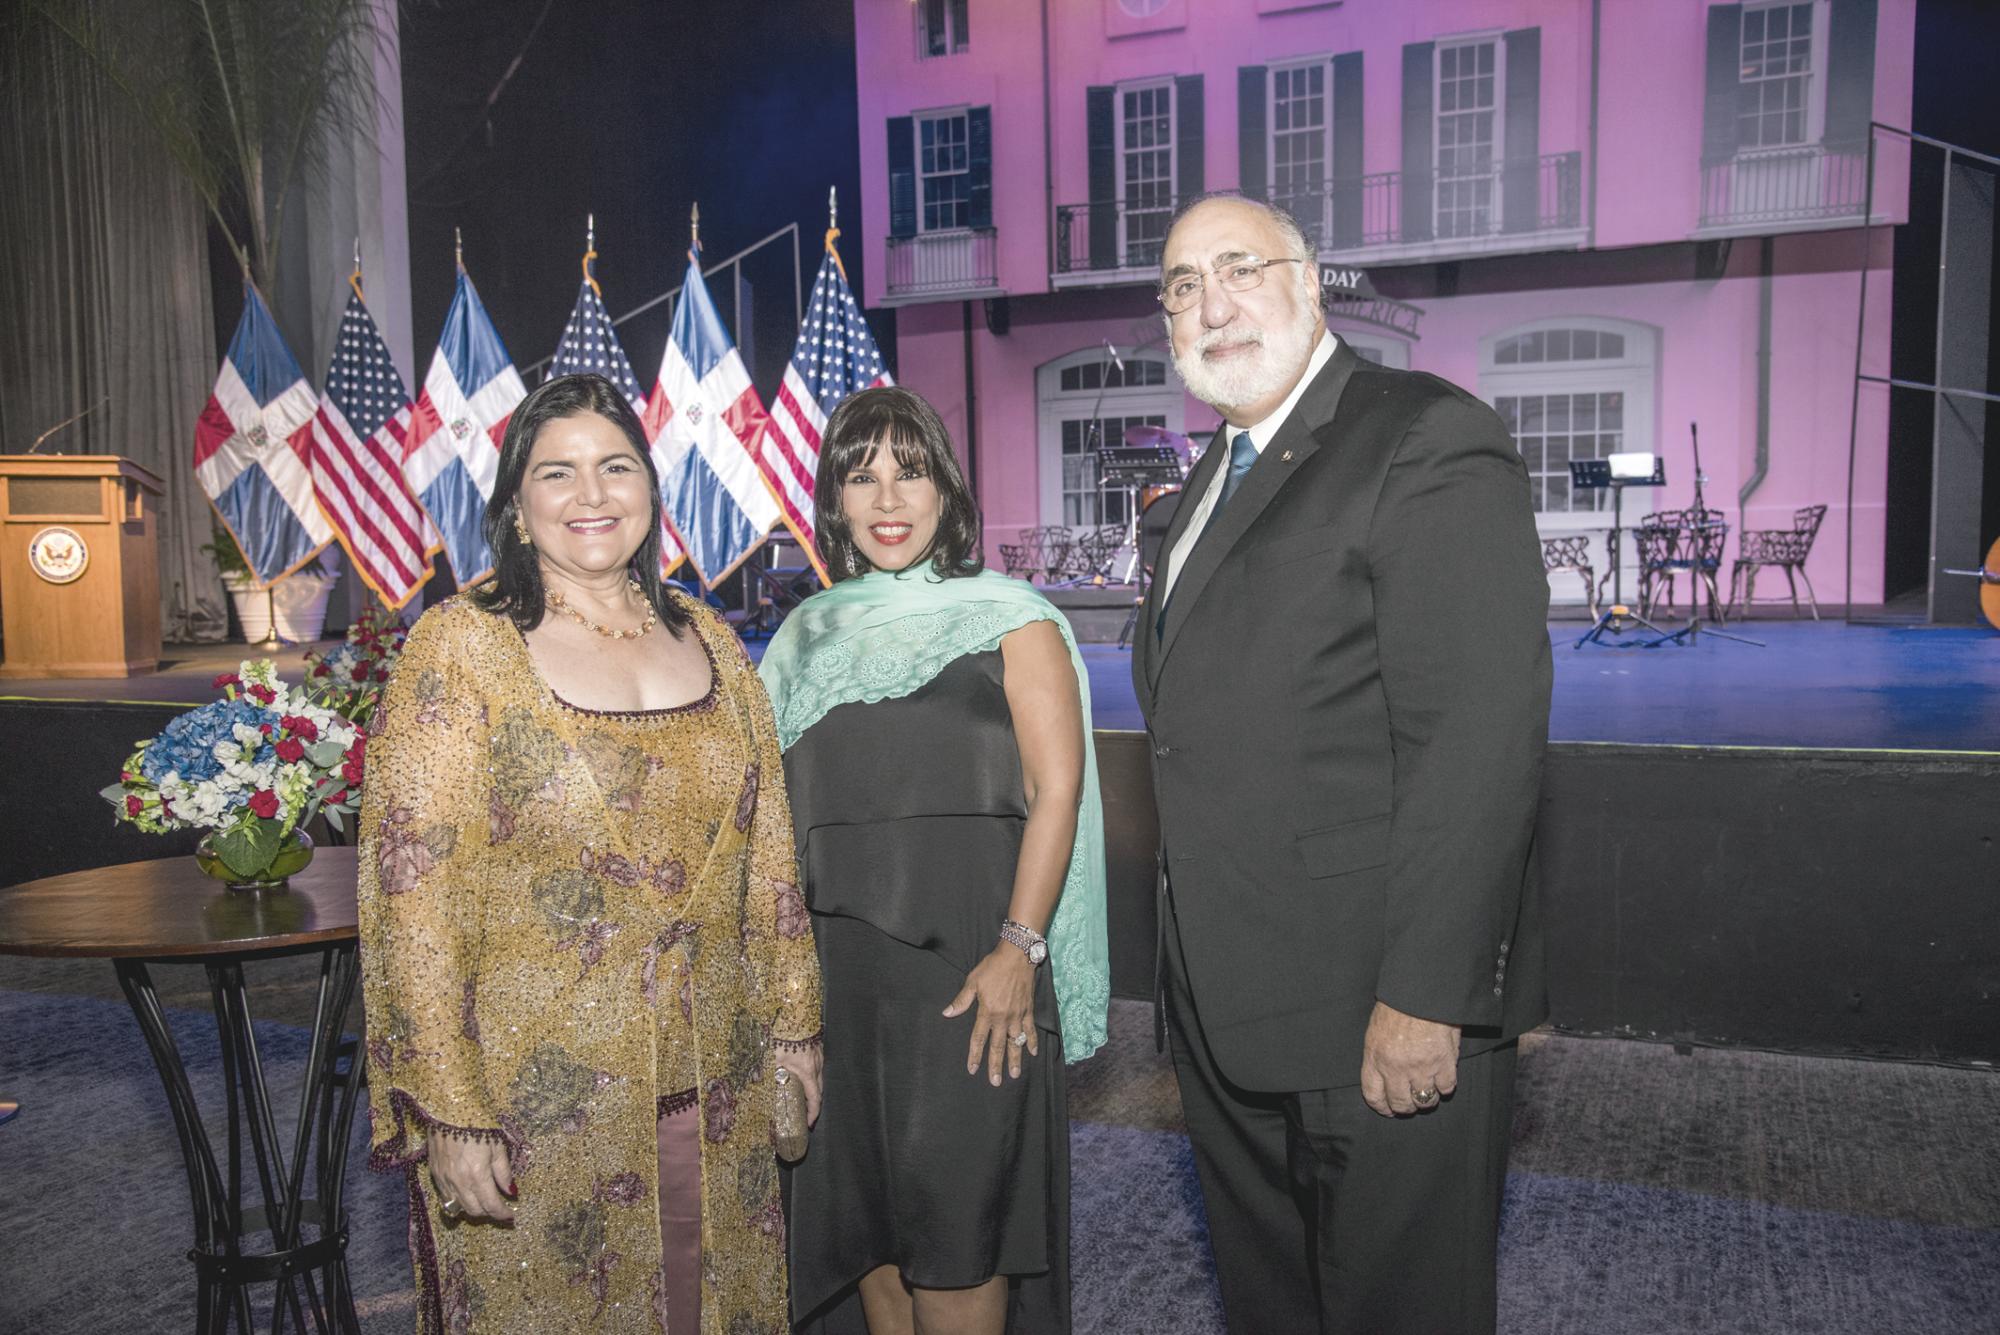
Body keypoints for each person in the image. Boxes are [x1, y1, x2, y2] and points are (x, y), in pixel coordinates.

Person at [1133, 195, 1552, 1334]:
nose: (1209, 305)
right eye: (1180, 285)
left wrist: (1426, 995)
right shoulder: (1195, 491)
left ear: (1310, 284)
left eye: (1237, 269)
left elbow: (1474, 742)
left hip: (1377, 1009)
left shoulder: (1420, 436)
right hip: (1226, 1012)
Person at [357, 373, 823, 1334]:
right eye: (556, 472)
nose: (591, 494)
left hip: (716, 1073)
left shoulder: (713, 640)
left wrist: (794, 1025)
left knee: (711, 1305)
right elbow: (413, 894)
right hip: (538, 1100)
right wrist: (451, 1106)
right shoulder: (461, 649)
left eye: (615, 467)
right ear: (518, 508)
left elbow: (769, 850)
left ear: (651, 493)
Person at [759, 386, 1108, 1335]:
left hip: (971, 979)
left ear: (946, 493)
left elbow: (1057, 792)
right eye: (860, 475)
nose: (887, 497)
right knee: (868, 1245)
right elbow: (767, 830)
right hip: (835, 989)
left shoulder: (1013, 616)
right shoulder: (799, 641)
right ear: (833, 502)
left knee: (960, 1246)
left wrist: (1018, 949)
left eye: (909, 472)